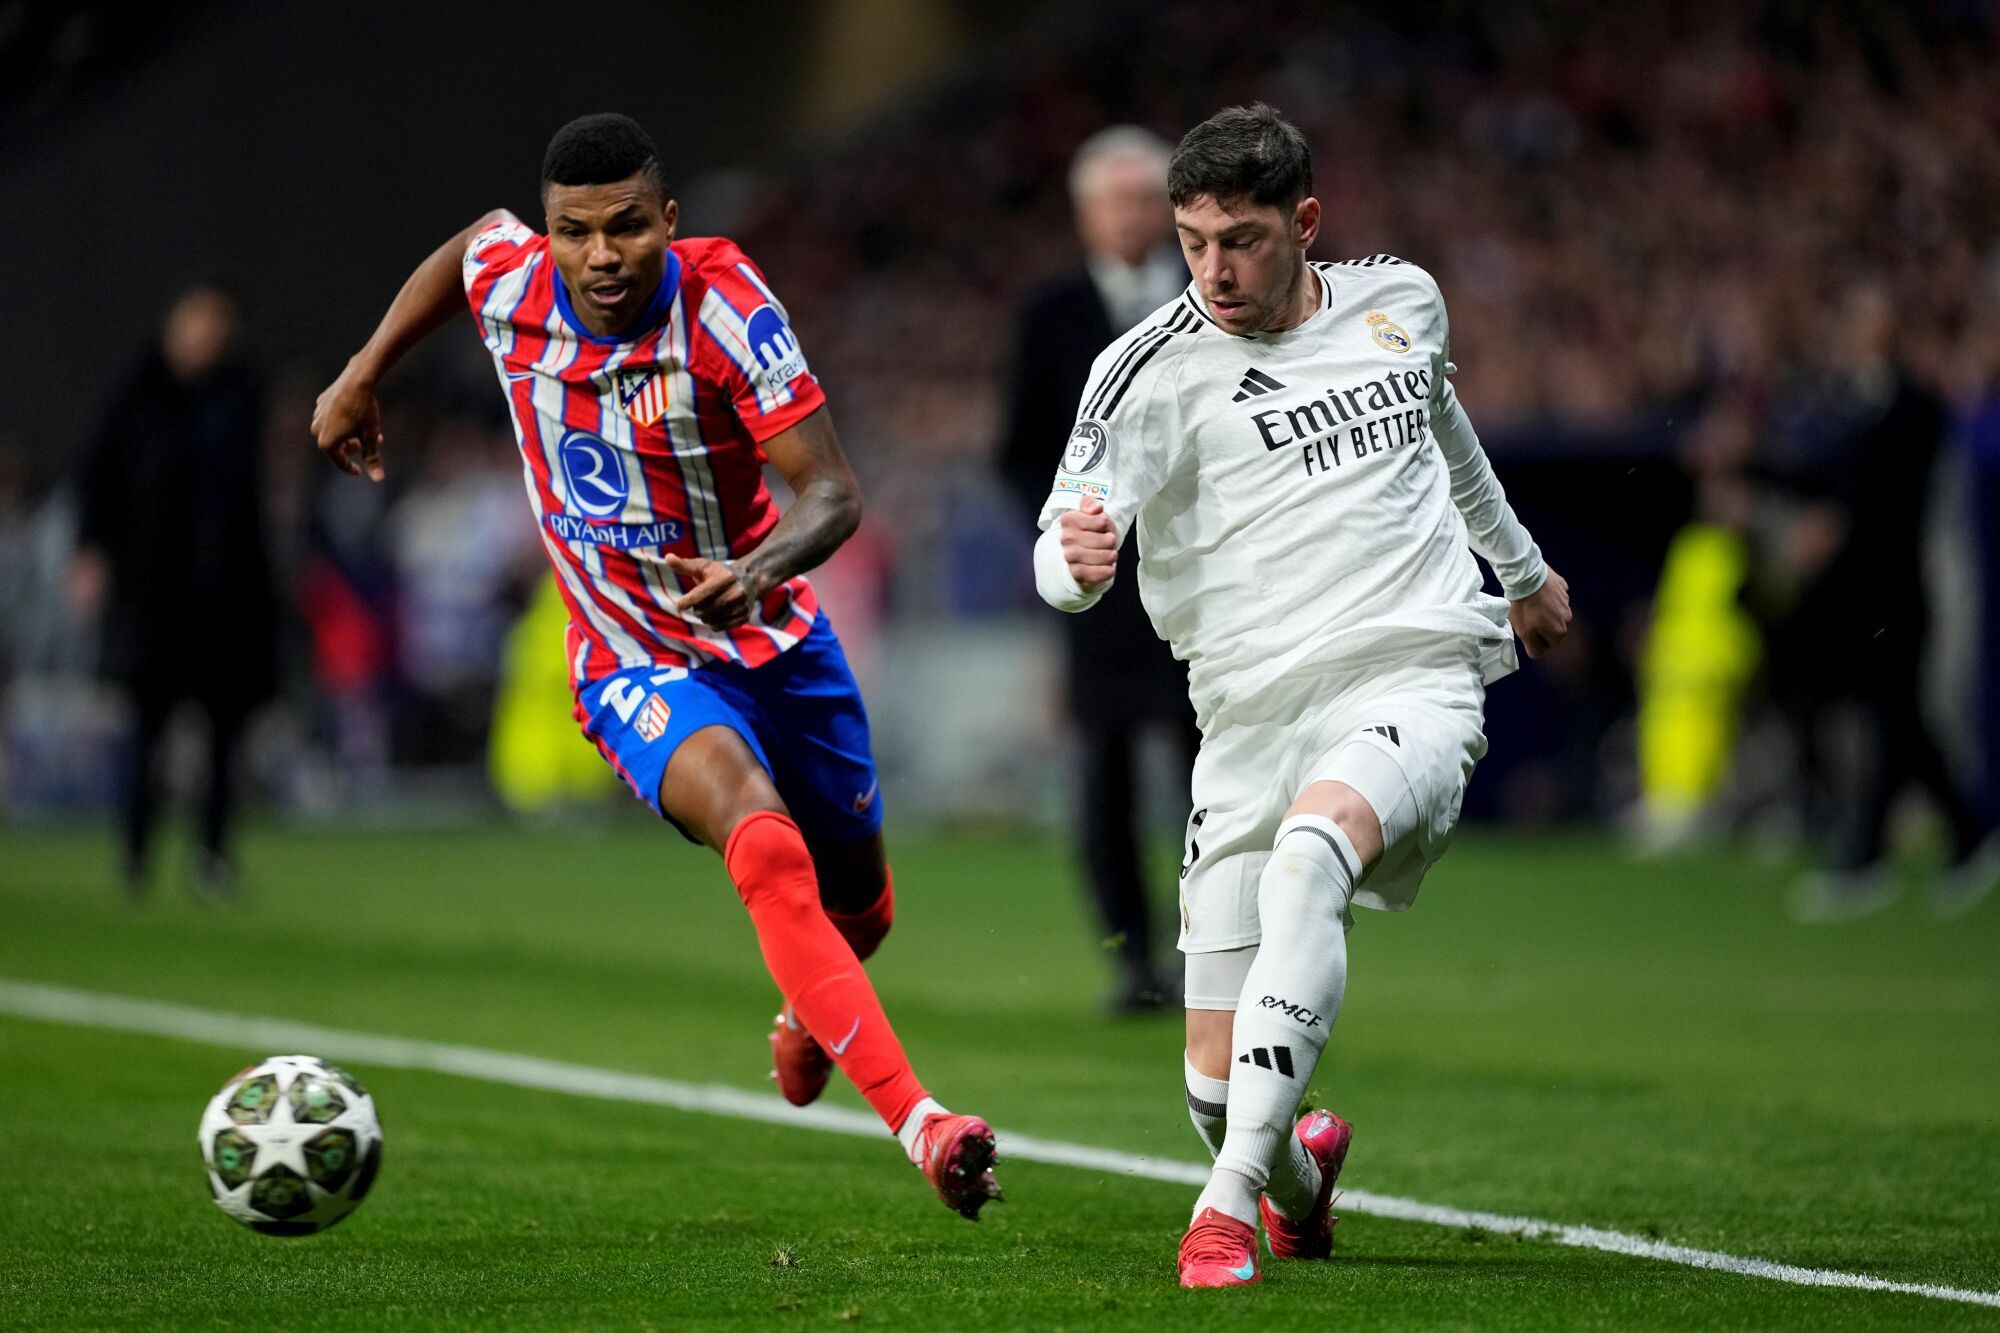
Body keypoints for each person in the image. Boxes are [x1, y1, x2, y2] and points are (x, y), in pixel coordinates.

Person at [310, 113, 1000, 1220]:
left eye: (626, 227)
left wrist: (753, 565)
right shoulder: (512, 278)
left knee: (860, 912)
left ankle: (803, 1009)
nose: (600, 256)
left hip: (773, 635)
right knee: (762, 840)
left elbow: (833, 494)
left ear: (667, 222)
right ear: (549, 233)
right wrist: (361, 371)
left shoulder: (725, 305)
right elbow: (465, 251)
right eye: (573, 232)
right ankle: (925, 1124)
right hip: (628, 657)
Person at [1032, 104, 1570, 1287]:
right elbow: (1059, 535)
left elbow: (1444, 427)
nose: (1210, 270)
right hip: (1242, 722)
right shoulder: (1144, 372)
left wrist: (1519, 573)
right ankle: (1287, 1177)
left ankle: (1221, 1212)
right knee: (1215, 1093)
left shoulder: (1399, 302)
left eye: (1239, 239)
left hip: (1412, 673)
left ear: (1304, 224)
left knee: (1310, 856)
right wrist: (1067, 573)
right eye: (1190, 240)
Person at [999, 127, 1195, 1015]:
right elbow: (1017, 452)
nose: (1133, 217)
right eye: (1117, 201)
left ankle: (1215, 953)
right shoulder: (1050, 315)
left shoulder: (1209, 298)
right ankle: (1134, 958)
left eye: (1146, 199)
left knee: (1219, 777)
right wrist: (1065, 536)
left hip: (1203, 580)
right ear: (1085, 214)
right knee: (1105, 779)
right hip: (1101, 590)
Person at [71, 283, 278, 900]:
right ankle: (134, 855)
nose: (207, 335)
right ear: (173, 325)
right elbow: (96, 477)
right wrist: (90, 553)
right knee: (144, 732)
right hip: (152, 595)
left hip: (224, 596)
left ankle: (211, 856)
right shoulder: (136, 394)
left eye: (218, 322)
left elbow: (252, 501)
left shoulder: (240, 394)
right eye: (198, 321)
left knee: (224, 734)